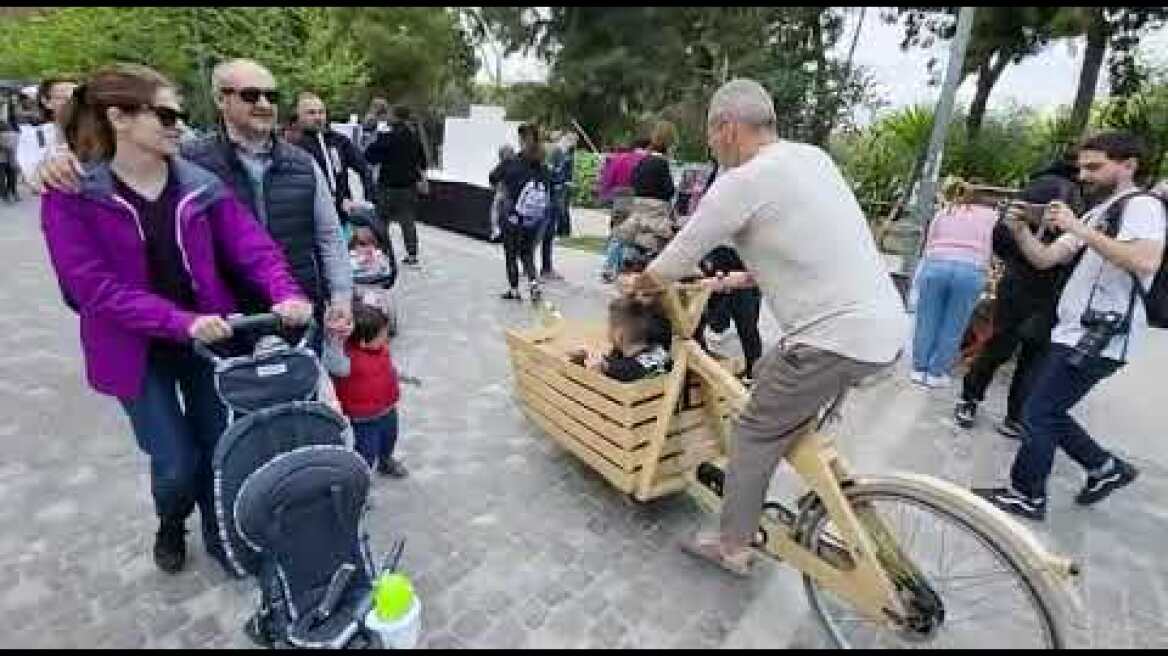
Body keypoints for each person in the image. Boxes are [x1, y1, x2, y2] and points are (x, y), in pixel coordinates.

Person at [40, 64, 313, 575]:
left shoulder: (201, 184)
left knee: (220, 446)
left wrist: (287, 294)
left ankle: (220, 535)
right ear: (119, 118)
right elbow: (92, 288)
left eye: (179, 116)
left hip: (208, 341)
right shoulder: (72, 194)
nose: (178, 125)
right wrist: (179, 321)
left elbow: (254, 249)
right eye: (165, 115)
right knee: (175, 462)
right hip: (135, 349)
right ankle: (171, 519)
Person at [628, 78, 907, 576]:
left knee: (755, 429)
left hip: (832, 339)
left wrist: (639, 285)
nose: (712, 147)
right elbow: (810, 245)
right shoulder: (813, 159)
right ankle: (788, 492)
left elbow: (676, 257)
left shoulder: (741, 181)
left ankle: (731, 545)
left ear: (727, 129)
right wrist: (737, 278)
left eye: (711, 136)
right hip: (883, 329)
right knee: (773, 385)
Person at [33, 59, 354, 350]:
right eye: (251, 95)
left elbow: (271, 245)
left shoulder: (211, 178)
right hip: (156, 343)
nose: (264, 104)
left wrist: (308, 294)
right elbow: (88, 283)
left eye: (272, 96)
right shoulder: (185, 161)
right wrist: (60, 160)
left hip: (246, 325)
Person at [975, 131, 1166, 521]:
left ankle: (1027, 495)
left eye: (1094, 167)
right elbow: (1045, 258)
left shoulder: (1142, 206)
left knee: (1038, 411)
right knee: (1044, 407)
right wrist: (1020, 229)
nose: (1083, 176)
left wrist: (1077, 228)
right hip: (1075, 332)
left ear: (1128, 166)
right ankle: (1105, 468)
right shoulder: (1099, 213)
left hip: (1101, 335)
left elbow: (1145, 260)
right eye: (1081, 167)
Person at [954, 155, 1085, 436]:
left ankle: (969, 399)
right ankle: (1014, 416)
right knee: (1032, 355)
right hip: (1052, 286)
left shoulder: (1035, 187)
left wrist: (1015, 260)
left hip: (1019, 280)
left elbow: (1001, 235)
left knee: (1000, 345)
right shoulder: (1070, 192)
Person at [909, 177, 999, 388]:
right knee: (954, 323)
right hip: (970, 269)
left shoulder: (945, 212)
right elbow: (995, 247)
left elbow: (929, 241)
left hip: (936, 264)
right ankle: (936, 372)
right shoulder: (993, 217)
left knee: (927, 319)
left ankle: (918, 368)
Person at [331, 299, 407, 477]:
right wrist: (335, 337)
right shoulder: (345, 360)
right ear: (363, 342)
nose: (386, 338)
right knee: (367, 450)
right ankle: (361, 478)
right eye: (381, 335)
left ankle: (385, 460)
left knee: (389, 438)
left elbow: (387, 367)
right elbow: (333, 357)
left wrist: (399, 375)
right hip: (363, 418)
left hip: (388, 408)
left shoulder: (382, 349)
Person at [292, 92, 375, 227]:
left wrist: (369, 201)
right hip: (310, 217)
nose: (318, 117)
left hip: (342, 216)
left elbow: (364, 169)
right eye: (311, 113)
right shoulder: (293, 146)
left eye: (321, 112)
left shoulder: (339, 141)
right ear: (299, 116)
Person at [490, 122, 551, 302]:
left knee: (510, 253)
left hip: (512, 216)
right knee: (527, 253)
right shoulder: (542, 167)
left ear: (521, 140)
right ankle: (533, 284)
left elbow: (492, 177)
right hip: (533, 218)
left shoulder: (511, 162)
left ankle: (514, 289)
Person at [365, 105, 427, 266]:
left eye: (390, 115)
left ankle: (381, 251)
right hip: (408, 187)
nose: (387, 117)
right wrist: (422, 179)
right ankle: (412, 254)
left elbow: (369, 156)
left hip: (387, 185)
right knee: (408, 221)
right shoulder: (414, 138)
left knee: (381, 220)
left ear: (396, 117)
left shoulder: (387, 137)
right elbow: (422, 161)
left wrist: (374, 138)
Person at [615, 120, 678, 271]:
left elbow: (634, 181)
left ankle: (630, 263)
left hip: (638, 211)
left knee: (636, 244)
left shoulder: (644, 161)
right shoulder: (662, 163)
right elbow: (669, 190)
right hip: (656, 214)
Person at [568, 297, 673, 382]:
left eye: (610, 326)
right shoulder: (661, 352)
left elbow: (620, 369)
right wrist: (587, 357)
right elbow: (630, 365)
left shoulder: (621, 372)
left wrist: (599, 369)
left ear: (619, 336)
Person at [598, 137, 650, 282]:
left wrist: (605, 196)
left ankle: (608, 269)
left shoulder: (619, 159)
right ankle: (621, 269)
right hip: (638, 200)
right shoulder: (647, 160)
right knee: (631, 237)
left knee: (617, 235)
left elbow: (608, 179)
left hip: (620, 199)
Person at [15, 75, 77, 192]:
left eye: (75, 97)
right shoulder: (36, 135)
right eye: (62, 97)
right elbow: (34, 180)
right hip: (59, 199)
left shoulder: (98, 133)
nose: (70, 102)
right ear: (46, 102)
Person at [540, 131, 577, 281]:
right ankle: (545, 268)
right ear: (566, 140)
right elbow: (549, 174)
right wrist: (561, 183)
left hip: (555, 197)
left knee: (547, 234)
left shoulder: (561, 153)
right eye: (572, 142)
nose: (572, 146)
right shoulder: (556, 152)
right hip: (551, 198)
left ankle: (544, 266)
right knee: (547, 233)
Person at [489, 143, 516, 242]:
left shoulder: (504, 164)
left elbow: (493, 176)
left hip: (503, 191)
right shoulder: (517, 164)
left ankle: (496, 231)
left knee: (495, 209)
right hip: (513, 194)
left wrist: (495, 185)